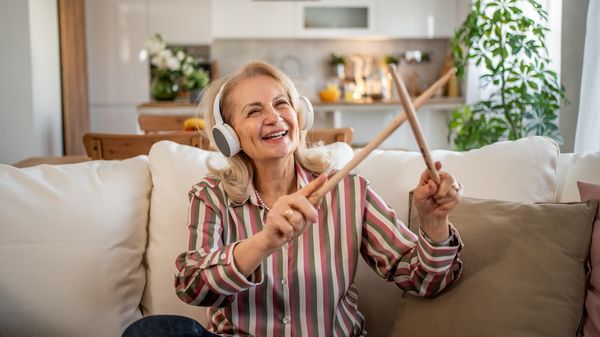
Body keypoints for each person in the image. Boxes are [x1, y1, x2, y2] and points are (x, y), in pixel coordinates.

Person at [123, 61, 463, 337]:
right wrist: (265, 241)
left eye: (281, 103)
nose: (273, 117)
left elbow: (424, 281)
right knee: (152, 331)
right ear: (229, 136)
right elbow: (192, 286)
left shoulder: (349, 191)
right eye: (254, 111)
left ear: (300, 114)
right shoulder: (211, 197)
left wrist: (433, 222)